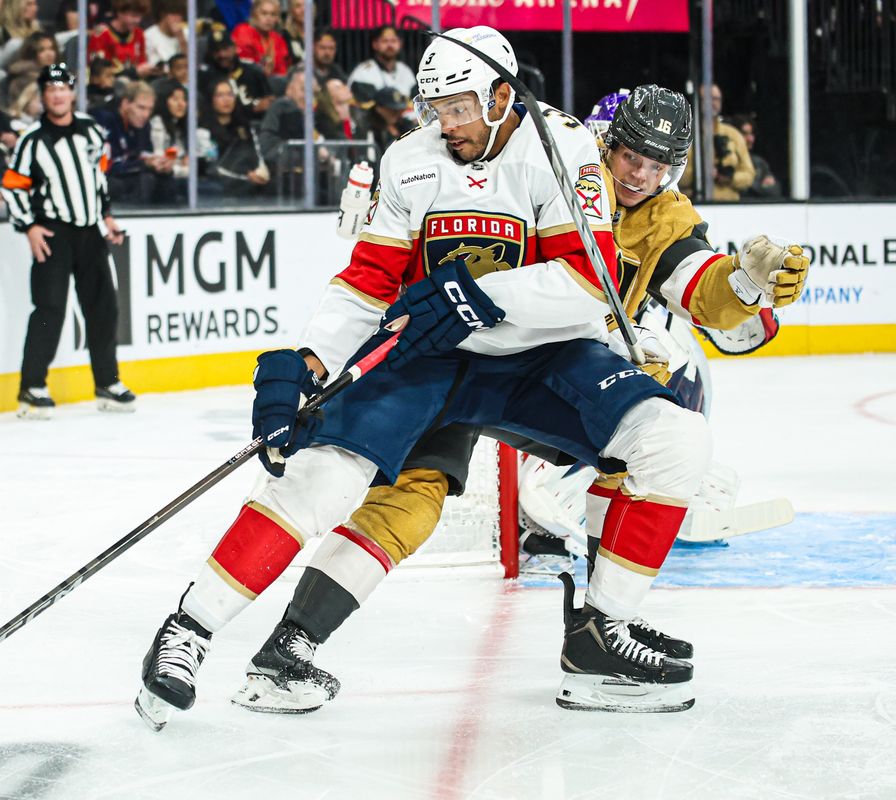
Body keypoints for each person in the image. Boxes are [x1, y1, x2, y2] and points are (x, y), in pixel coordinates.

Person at [133, 26, 716, 731]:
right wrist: (311, 360)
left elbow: (588, 282)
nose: (448, 124)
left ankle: (599, 637)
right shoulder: (410, 158)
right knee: (321, 475)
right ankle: (188, 630)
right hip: (429, 356)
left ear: (501, 97)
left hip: (538, 356)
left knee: (673, 440)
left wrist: (480, 294)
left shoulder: (562, 149)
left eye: (461, 108)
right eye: (438, 108)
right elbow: (369, 280)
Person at [224, 83, 810, 717]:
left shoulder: (661, 216)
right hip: (455, 355)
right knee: (407, 501)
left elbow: (699, 285)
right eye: (631, 157)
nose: (641, 176)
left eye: (659, 165)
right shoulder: (550, 169)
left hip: (546, 373)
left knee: (640, 448)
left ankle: (601, 629)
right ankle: (290, 645)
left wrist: (745, 285)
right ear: (603, 145)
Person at [0, 64, 136, 417]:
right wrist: (29, 226)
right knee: (49, 309)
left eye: (63, 88)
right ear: (43, 95)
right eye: (51, 89)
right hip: (53, 233)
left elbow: (98, 177)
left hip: (90, 231)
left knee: (103, 308)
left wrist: (106, 216)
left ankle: (107, 382)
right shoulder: (32, 140)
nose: (58, 95)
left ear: (72, 93)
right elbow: (13, 187)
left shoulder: (91, 130)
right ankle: (32, 388)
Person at [94, 80, 177, 204]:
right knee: (143, 181)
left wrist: (160, 164)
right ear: (125, 103)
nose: (146, 114)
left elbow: (145, 154)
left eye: (150, 109)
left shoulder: (143, 125)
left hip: (129, 174)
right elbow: (104, 166)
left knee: (167, 180)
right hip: (107, 178)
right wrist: (143, 163)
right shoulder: (105, 120)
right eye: (141, 108)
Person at [679, 83, 753, 201]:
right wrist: (700, 173)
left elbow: (749, 174)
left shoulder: (733, 135)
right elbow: (671, 175)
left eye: (716, 99)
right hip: (693, 204)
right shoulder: (683, 135)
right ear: (697, 101)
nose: (713, 103)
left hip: (730, 205)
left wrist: (730, 178)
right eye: (707, 99)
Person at [197, 77, 268, 196]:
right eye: (220, 95)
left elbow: (257, 154)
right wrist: (246, 177)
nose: (226, 100)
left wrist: (260, 173)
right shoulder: (202, 131)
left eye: (230, 94)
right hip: (221, 186)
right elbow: (211, 168)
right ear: (211, 99)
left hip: (251, 182)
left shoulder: (244, 126)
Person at [198, 28, 274, 120]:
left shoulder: (253, 71)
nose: (222, 54)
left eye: (225, 49)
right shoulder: (205, 76)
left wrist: (267, 103)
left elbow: (270, 98)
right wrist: (252, 109)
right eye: (216, 51)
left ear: (234, 48)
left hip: (256, 122)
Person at [347, 24, 416, 99]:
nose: (390, 45)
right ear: (375, 44)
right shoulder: (363, 71)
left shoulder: (405, 70)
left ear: (400, 44)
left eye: (394, 41)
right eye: (385, 41)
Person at [90, 0, 152, 78]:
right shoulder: (101, 35)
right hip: (109, 82)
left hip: (135, 82)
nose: (138, 20)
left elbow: (142, 62)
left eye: (140, 16)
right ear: (120, 13)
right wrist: (133, 72)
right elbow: (99, 71)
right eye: (133, 16)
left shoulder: (139, 34)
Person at [231, 0, 290, 78]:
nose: (268, 19)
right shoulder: (243, 32)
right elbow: (245, 66)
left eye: (273, 14)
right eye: (264, 13)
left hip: (274, 81)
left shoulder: (278, 40)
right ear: (254, 14)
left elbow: (283, 71)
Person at [729, 113, 781, 199]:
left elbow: (775, 191)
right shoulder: (725, 161)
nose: (751, 139)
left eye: (752, 134)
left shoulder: (759, 163)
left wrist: (746, 184)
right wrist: (759, 186)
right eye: (744, 134)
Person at [149, 78, 189, 181]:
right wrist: (185, 169)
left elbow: (173, 153)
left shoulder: (177, 124)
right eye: (175, 99)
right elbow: (160, 164)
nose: (181, 104)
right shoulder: (157, 124)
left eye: (184, 99)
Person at [144, 0, 185, 70]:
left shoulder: (187, 33)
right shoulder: (148, 35)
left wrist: (181, 39)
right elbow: (152, 64)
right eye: (173, 14)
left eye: (180, 15)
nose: (177, 18)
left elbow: (193, 64)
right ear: (163, 15)